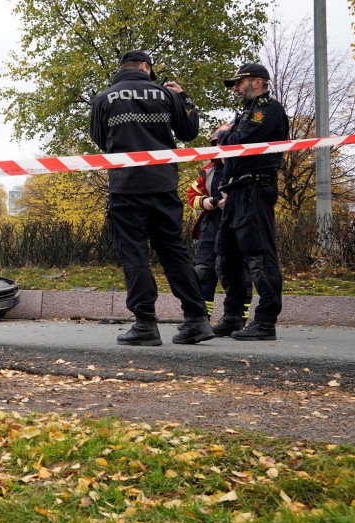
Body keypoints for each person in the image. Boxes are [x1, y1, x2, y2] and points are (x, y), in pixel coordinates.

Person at [89, 50, 214, 346]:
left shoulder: (103, 98)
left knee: (134, 255)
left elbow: (99, 138)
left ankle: (146, 324)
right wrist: (183, 97)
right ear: (146, 67)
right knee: (174, 253)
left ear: (123, 68)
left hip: (126, 188)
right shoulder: (165, 95)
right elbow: (189, 132)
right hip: (163, 186)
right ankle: (197, 320)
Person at [213, 63, 289, 341]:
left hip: (255, 189)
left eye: (239, 83)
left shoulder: (268, 110)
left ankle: (266, 321)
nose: (235, 89)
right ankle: (234, 317)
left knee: (259, 255)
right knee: (226, 257)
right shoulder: (245, 112)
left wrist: (223, 135)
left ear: (257, 82)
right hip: (235, 192)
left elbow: (240, 142)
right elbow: (229, 149)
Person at [186, 142, 252, 332]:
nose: (220, 147)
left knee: (238, 272)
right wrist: (206, 202)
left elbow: (259, 194)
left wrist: (232, 202)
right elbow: (192, 195)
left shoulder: (248, 166)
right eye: (217, 144)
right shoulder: (209, 170)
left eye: (224, 143)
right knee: (202, 271)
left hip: (238, 222)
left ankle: (237, 318)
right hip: (212, 224)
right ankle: (200, 319)